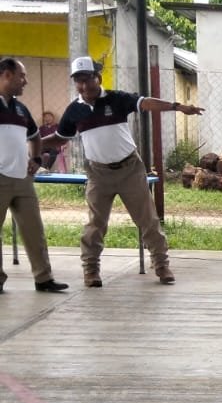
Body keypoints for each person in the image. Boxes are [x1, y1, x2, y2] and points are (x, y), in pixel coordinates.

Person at [55, 55, 202, 287]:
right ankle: (91, 270)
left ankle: (161, 265)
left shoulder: (117, 99)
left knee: (148, 219)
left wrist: (177, 106)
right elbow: (59, 138)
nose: (84, 86)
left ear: (98, 78)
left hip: (130, 169)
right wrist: (31, 144)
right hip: (98, 174)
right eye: (78, 81)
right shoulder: (74, 110)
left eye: (88, 79)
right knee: (95, 225)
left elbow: (146, 103)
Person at [0, 57, 68, 294]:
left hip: (22, 179)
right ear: (7, 75)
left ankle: (44, 278)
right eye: (22, 76)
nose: (25, 81)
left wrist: (37, 159)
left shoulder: (20, 108)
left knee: (34, 230)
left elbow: (35, 136)